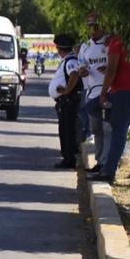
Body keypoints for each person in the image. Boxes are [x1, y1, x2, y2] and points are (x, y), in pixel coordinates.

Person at [93, 31, 130, 183]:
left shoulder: (117, 42)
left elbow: (111, 69)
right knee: (118, 130)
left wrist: (103, 94)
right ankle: (108, 168)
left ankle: (109, 171)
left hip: (124, 92)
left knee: (118, 132)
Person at [76, 14, 110, 173]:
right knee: (96, 129)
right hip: (92, 93)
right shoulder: (85, 47)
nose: (93, 30)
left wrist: (109, 70)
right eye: (91, 26)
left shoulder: (111, 43)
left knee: (108, 128)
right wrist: (82, 70)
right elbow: (81, 65)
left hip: (109, 92)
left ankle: (106, 161)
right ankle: (99, 161)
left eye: (96, 26)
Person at [49, 34, 82, 169]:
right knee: (65, 130)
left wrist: (67, 90)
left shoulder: (70, 61)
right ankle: (68, 157)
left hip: (68, 101)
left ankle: (69, 159)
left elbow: (74, 74)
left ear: (59, 48)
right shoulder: (67, 60)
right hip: (65, 101)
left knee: (67, 131)